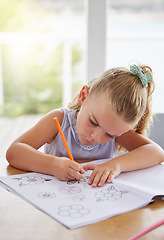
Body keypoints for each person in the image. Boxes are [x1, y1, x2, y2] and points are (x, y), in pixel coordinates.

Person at [6, 63, 164, 188]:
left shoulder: (117, 128)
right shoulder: (59, 120)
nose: (95, 136)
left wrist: (116, 165)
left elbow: (156, 153)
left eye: (110, 135)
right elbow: (14, 152)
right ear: (83, 96)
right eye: (93, 122)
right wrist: (52, 165)